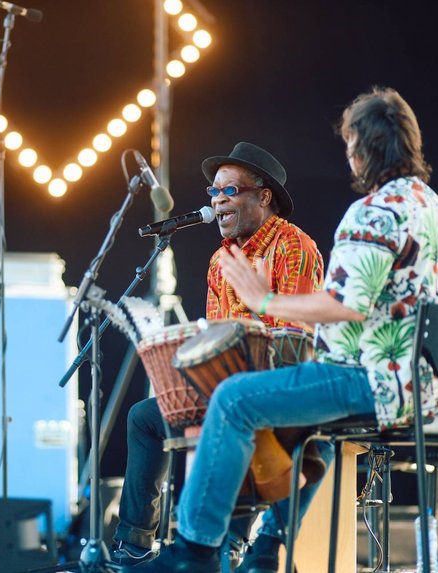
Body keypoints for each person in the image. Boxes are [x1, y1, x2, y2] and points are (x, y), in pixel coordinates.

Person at [131, 87, 438, 573]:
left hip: (372, 379)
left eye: (350, 145)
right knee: (308, 433)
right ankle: (265, 551)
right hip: (425, 386)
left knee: (233, 400)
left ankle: (194, 552)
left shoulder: (375, 212)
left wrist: (263, 300)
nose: (349, 157)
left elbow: (344, 306)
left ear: (364, 148)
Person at [113, 142, 329, 571]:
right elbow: (217, 336)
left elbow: (294, 341)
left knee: (233, 417)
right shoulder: (220, 259)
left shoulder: (293, 247)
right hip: (223, 389)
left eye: (229, 192)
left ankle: (227, 544)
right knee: (144, 417)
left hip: (275, 389)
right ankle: (134, 545)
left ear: (262, 197)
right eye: (213, 194)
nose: (218, 202)